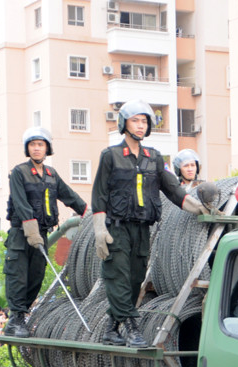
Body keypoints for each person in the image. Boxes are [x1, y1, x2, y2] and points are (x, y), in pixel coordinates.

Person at [92, 99, 218, 347]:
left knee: (134, 279)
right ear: (124, 124)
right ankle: (131, 327)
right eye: (135, 121)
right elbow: (99, 195)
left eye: (144, 121)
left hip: (142, 228)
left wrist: (200, 208)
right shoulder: (111, 156)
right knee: (118, 277)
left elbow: (174, 191)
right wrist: (99, 230)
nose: (140, 126)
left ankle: (111, 329)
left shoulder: (154, 158)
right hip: (116, 228)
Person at [4, 127, 88, 338]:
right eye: (33, 145)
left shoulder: (51, 175)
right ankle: (15, 320)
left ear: (47, 148)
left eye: (40, 145)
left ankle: (23, 315)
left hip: (41, 233)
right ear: (27, 148)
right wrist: (30, 228)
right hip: (21, 234)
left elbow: (69, 196)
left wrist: (90, 213)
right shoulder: (19, 172)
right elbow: (21, 203)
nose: (36, 148)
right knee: (18, 276)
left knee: (36, 276)